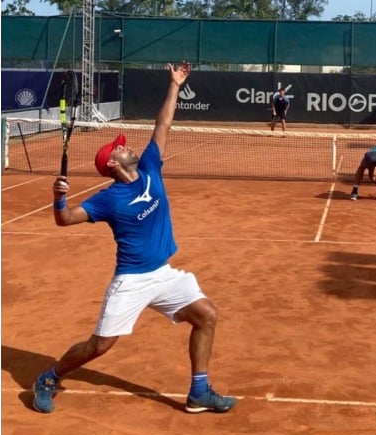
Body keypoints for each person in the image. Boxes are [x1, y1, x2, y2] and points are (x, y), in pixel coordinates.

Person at [31, 60, 237, 415]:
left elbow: (163, 123)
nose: (128, 147)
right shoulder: (108, 198)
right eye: (121, 147)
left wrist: (174, 85)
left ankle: (199, 392)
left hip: (164, 274)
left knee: (206, 315)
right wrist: (58, 198)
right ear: (112, 163)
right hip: (131, 280)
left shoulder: (150, 167)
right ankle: (49, 377)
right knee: (99, 346)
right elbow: (65, 220)